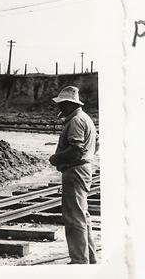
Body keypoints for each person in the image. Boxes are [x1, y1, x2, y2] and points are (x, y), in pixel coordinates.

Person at [48, 85, 98, 264]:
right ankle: (89, 258)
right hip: (83, 169)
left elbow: (75, 150)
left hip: (75, 170)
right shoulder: (85, 118)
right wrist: (87, 156)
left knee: (74, 218)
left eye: (62, 104)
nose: (59, 107)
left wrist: (56, 158)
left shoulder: (75, 120)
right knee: (83, 216)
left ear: (69, 103)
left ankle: (79, 261)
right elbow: (96, 143)